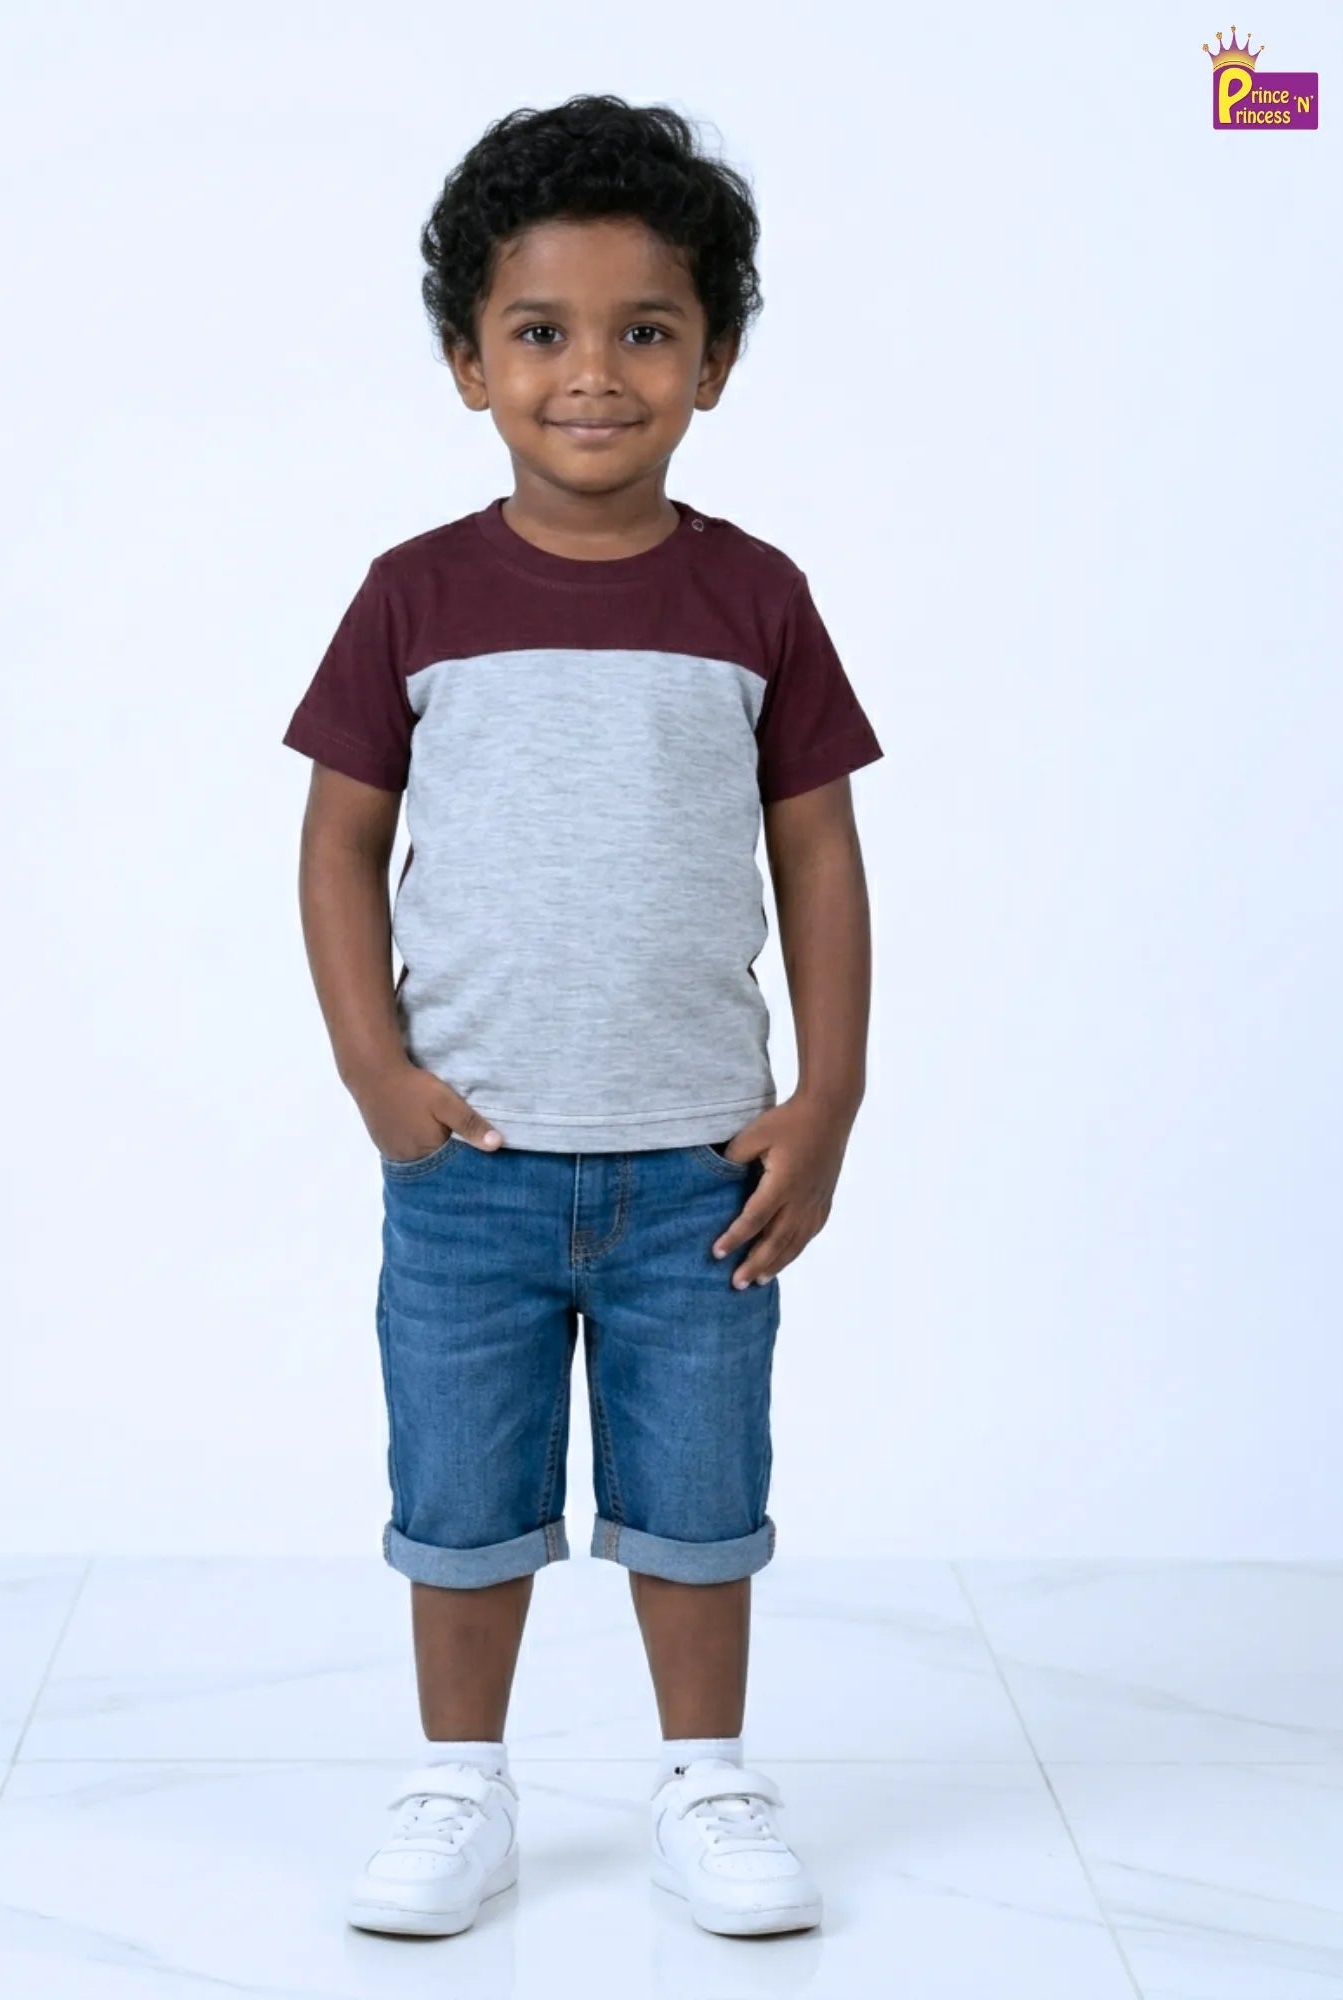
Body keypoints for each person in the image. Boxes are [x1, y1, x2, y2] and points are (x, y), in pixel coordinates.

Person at [282, 92, 883, 1941]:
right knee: (460, 1501)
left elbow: (822, 857)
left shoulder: (754, 597)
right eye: (541, 332)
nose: (594, 373)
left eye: (647, 331)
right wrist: (376, 1071)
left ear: (712, 360)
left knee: (699, 1499)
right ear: (470, 362)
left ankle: (707, 1777)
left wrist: (830, 1094)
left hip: (704, 1163)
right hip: (467, 1163)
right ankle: (460, 1789)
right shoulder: (416, 595)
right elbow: (338, 845)